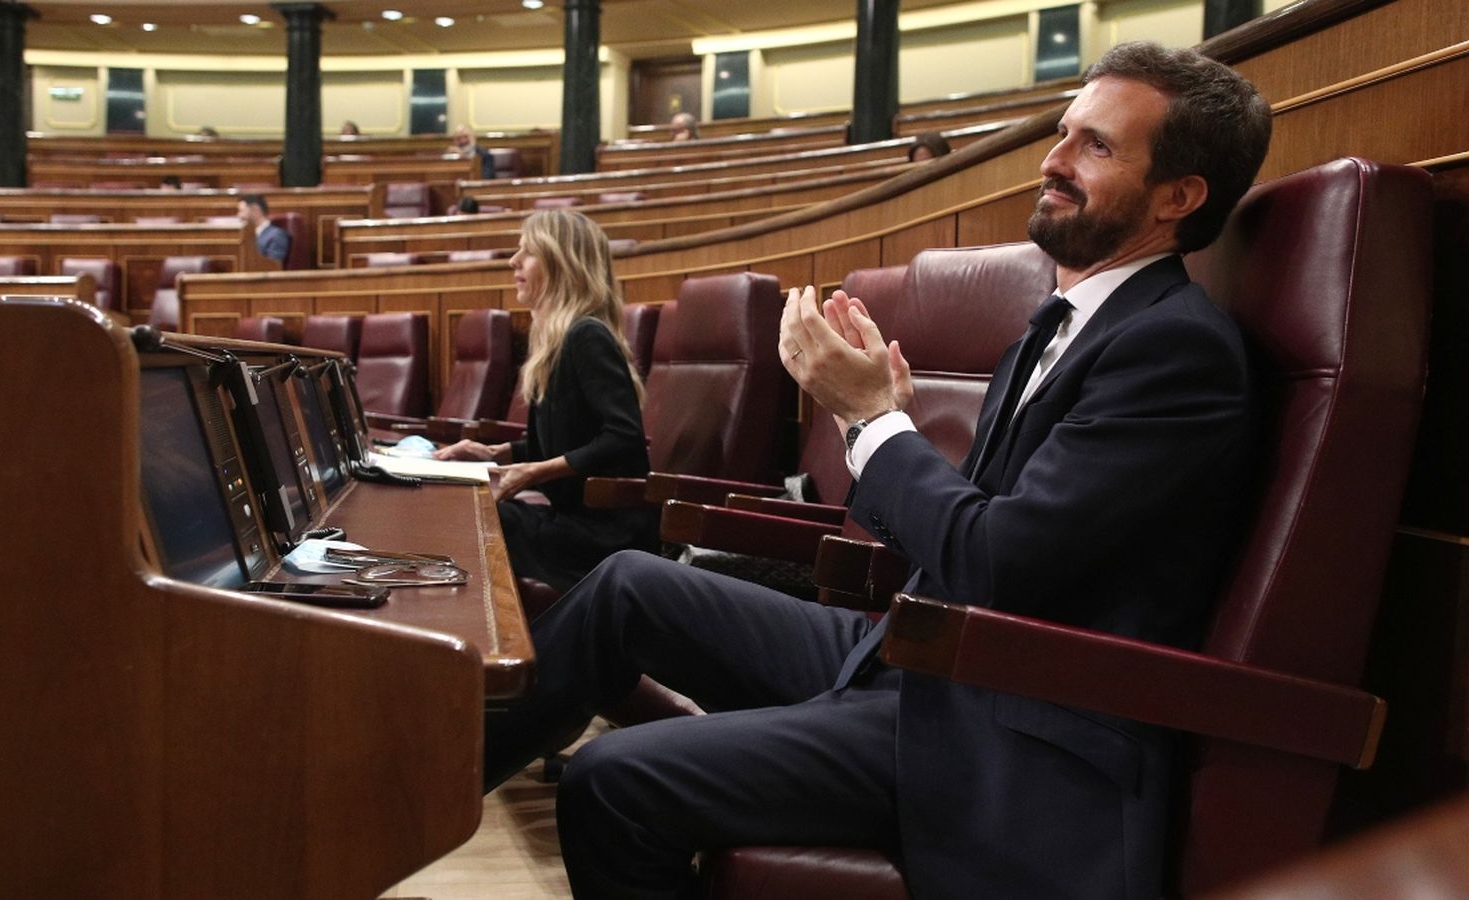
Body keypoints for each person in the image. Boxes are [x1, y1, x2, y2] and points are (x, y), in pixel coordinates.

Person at [483, 41, 1272, 899]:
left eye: (1097, 145)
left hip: (995, 724)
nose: (1052, 158)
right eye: (1064, 132)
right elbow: (966, 527)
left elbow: (998, 562)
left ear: (1179, 196)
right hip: (906, 657)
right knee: (625, 585)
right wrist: (870, 426)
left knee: (612, 780)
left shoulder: (1176, 349)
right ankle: (397, 805)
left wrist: (872, 420)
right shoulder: (1057, 326)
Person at [435, 209, 655, 592]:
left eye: (529, 251)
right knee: (469, 504)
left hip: (606, 538)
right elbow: (561, 445)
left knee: (478, 515)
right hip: (574, 523)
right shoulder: (556, 342)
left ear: (561, 264)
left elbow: (624, 438)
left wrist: (533, 472)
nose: (513, 261)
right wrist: (495, 453)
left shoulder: (586, 336)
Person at [237, 194, 289, 264]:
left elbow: (274, 266)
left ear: (255, 210)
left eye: (242, 211)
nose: (239, 216)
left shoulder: (276, 235)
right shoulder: (247, 236)